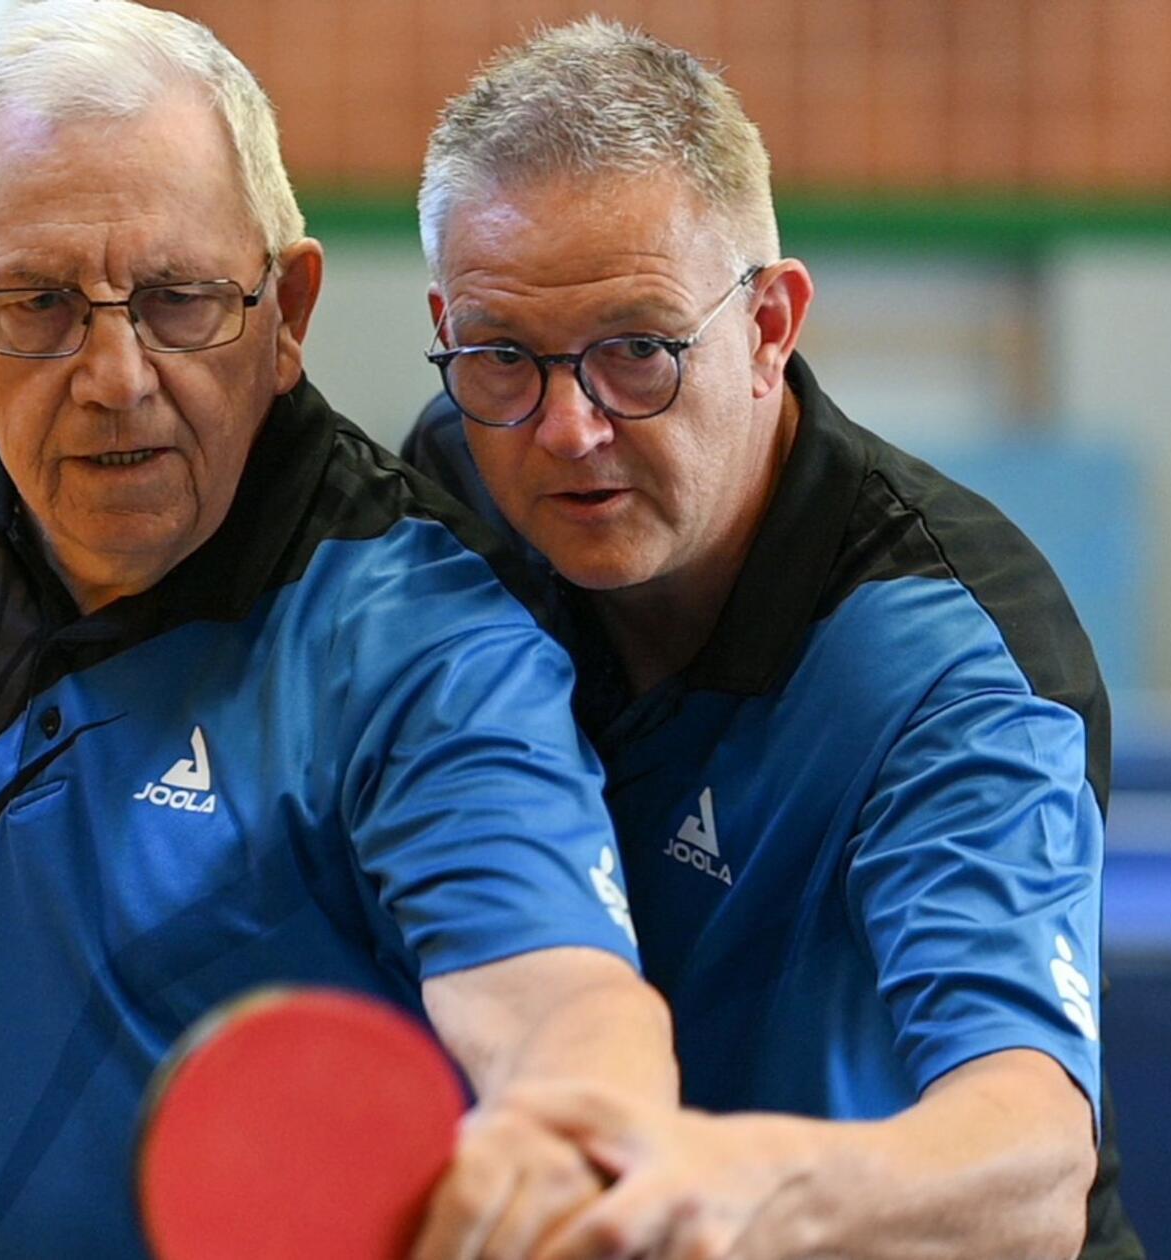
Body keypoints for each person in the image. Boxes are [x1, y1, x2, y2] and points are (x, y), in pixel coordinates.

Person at [0, 5, 675, 1257]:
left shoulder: (425, 639)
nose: (116, 375)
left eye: (180, 299)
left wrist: (582, 1116)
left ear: (288, 310)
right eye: (39, 305)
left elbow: (553, 986)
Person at [403, 21, 1134, 1260]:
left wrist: (745, 1178)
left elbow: (1031, 1158)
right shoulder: (452, 480)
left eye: (637, 349)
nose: (568, 427)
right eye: (503, 354)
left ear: (771, 324)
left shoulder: (949, 655)